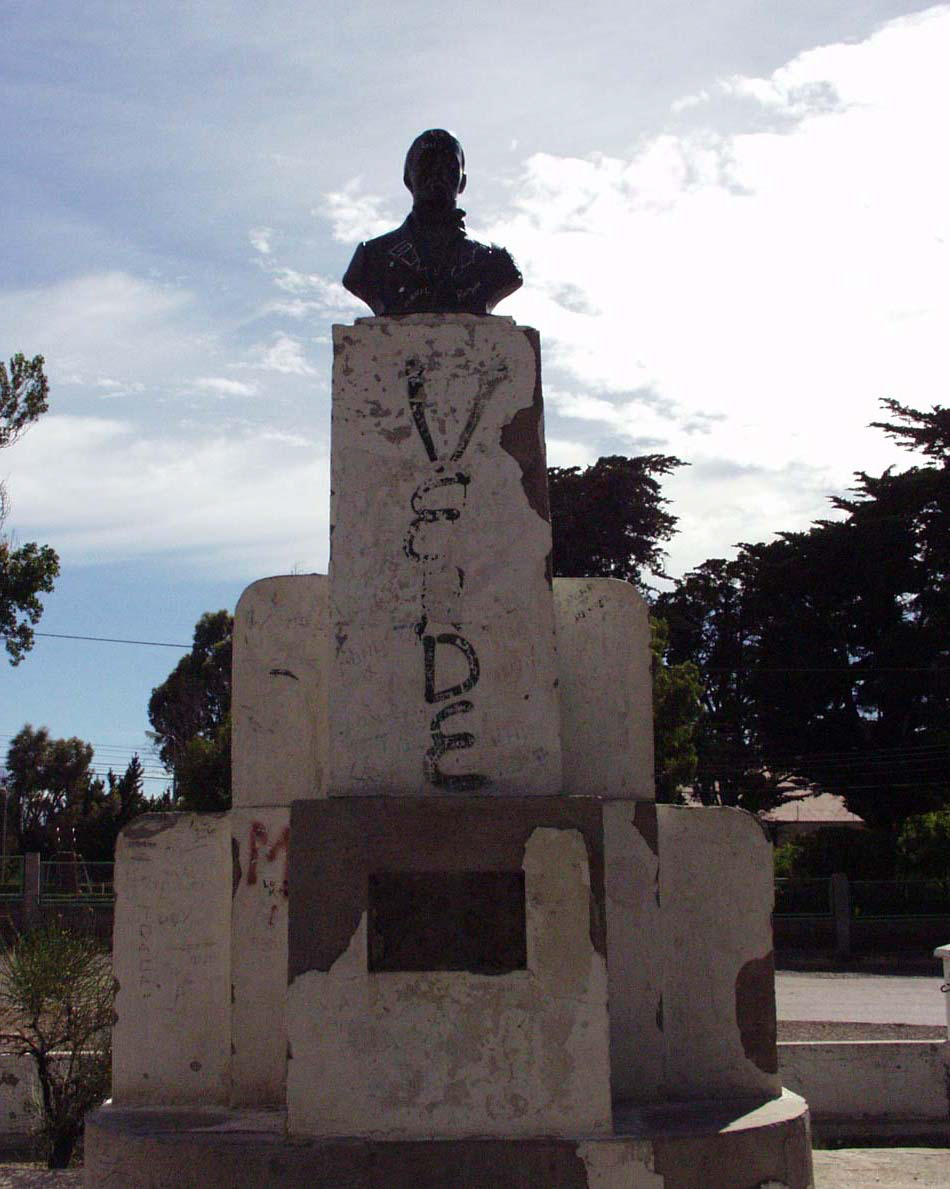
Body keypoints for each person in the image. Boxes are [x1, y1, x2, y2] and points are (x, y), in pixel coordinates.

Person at [342, 129, 523, 316]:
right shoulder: (371, 258)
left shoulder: (497, 260)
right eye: (426, 163)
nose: (437, 173)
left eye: (449, 166)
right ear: (407, 178)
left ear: (463, 182)